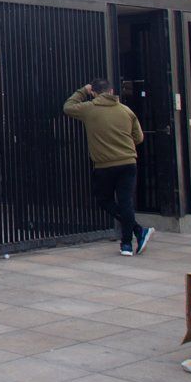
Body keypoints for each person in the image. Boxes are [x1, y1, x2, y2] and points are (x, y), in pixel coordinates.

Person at [64, 78, 154, 256]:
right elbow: (139, 137)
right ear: (111, 91)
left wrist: (83, 90)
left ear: (93, 92)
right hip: (128, 162)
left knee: (104, 200)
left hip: (104, 165)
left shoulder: (89, 109)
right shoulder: (126, 110)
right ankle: (128, 242)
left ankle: (135, 233)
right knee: (126, 202)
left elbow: (68, 107)